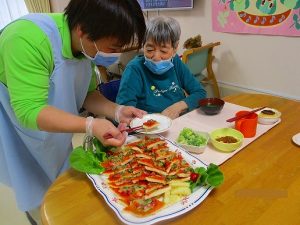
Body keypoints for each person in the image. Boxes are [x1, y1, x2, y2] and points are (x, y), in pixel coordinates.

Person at [0, 0, 146, 223]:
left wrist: (117, 111)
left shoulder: (83, 47)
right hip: (20, 134)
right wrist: (89, 125)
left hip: (56, 132)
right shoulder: (26, 38)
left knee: (65, 193)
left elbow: (87, 95)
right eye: (114, 48)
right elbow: (29, 110)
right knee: (41, 202)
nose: (116, 56)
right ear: (83, 31)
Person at [116, 16, 207, 119]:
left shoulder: (176, 62)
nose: (156, 57)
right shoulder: (135, 69)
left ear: (175, 48)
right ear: (143, 45)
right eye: (150, 49)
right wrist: (158, 118)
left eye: (163, 51)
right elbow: (125, 112)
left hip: (179, 121)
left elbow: (200, 93)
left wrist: (178, 106)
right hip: (148, 128)